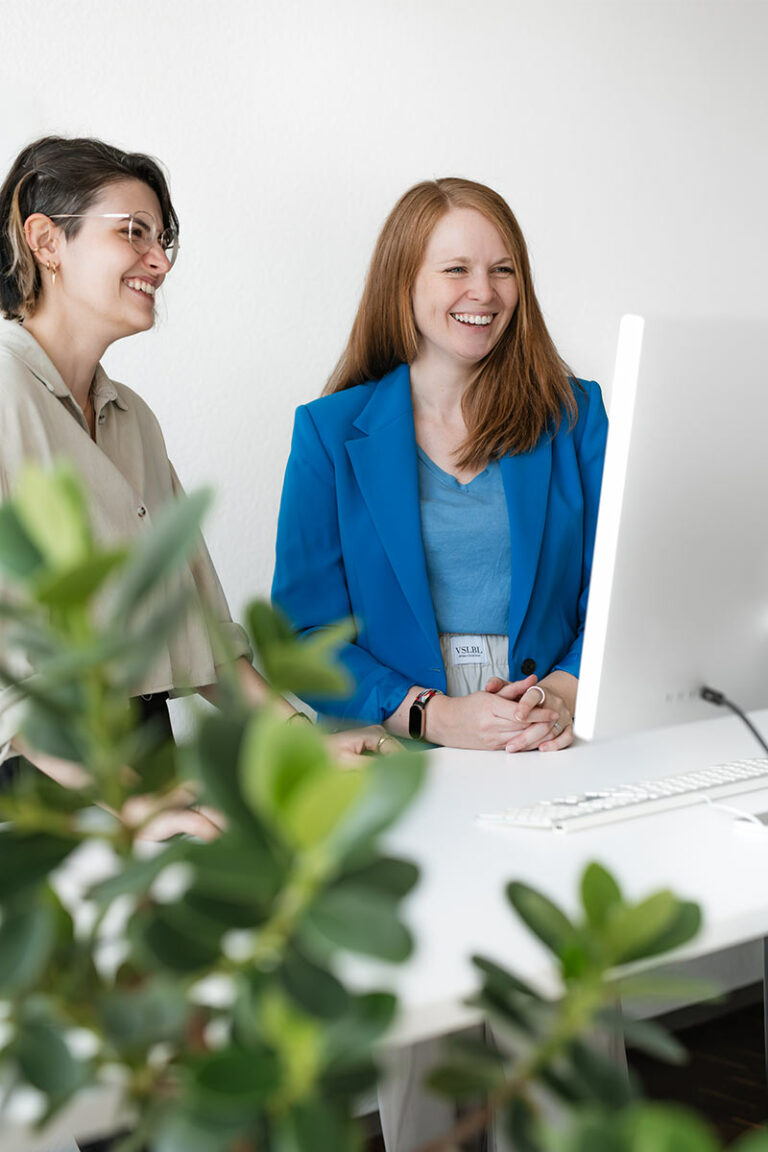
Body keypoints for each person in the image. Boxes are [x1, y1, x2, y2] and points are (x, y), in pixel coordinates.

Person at [0, 136, 394, 824]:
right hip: (37, 780)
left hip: (135, 754)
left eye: (162, 239)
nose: (159, 260)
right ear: (46, 241)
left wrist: (300, 742)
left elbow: (203, 635)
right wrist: (139, 802)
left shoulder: (133, 420)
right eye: (133, 233)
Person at [272, 177, 607, 752]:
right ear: (403, 283)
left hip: (544, 742)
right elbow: (303, 635)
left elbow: (612, 593)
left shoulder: (575, 416)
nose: (484, 291)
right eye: (456, 270)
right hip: (386, 749)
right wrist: (433, 715)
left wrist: (559, 694)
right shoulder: (327, 432)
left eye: (503, 270)